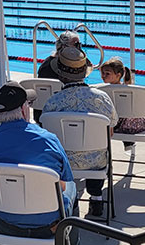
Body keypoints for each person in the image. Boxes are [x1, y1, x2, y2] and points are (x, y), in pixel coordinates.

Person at [0, 81, 88, 245]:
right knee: (71, 186)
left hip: (2, 223)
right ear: (24, 110)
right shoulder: (48, 140)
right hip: (48, 225)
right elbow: (63, 184)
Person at [42, 47, 117, 218]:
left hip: (63, 163)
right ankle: (96, 196)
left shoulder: (52, 102)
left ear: (60, 74)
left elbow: (48, 137)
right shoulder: (102, 98)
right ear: (85, 72)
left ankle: (68, 198)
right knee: (99, 149)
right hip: (96, 162)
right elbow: (111, 129)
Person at [100, 57, 145, 153]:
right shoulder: (131, 90)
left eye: (107, 73)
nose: (103, 76)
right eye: (102, 73)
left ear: (118, 75)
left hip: (111, 128)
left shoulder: (102, 90)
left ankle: (128, 142)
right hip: (131, 127)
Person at [33, 30, 82, 122]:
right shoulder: (67, 67)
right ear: (63, 47)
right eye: (76, 45)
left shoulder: (45, 64)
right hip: (63, 116)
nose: (79, 48)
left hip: (42, 116)